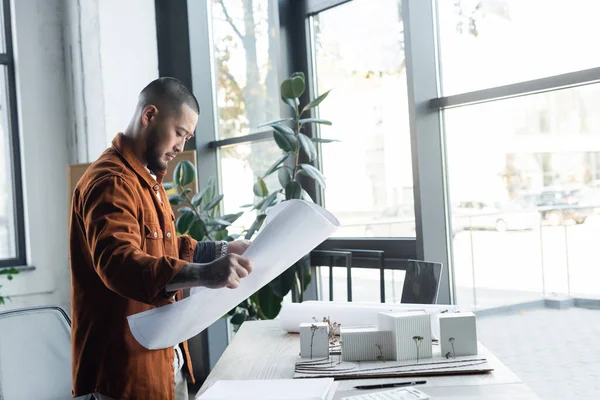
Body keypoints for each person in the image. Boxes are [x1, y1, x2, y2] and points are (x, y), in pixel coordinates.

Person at [69, 77, 253, 400]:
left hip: (163, 369)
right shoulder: (110, 182)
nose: (182, 146)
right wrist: (206, 274)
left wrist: (224, 249)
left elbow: (167, 248)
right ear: (149, 116)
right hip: (122, 382)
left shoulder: (146, 180)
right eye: (180, 133)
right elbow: (120, 264)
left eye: (188, 137)